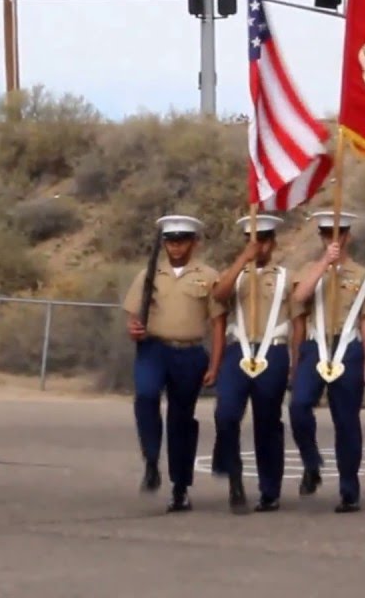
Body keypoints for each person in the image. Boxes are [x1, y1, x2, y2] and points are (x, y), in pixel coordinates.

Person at [123, 214, 226, 512]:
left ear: (194, 242)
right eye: (170, 241)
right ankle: (152, 460)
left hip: (190, 353)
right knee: (145, 395)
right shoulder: (149, 275)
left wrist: (215, 364)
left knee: (181, 422)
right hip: (154, 349)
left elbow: (218, 323)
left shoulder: (208, 276)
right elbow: (134, 316)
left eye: (181, 241)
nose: (175, 247)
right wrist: (134, 329)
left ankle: (180, 487)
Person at [287, 210, 365, 513]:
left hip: (348, 346)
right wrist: (325, 262)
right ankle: (312, 462)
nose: (333, 240)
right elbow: (299, 298)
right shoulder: (310, 269)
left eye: (338, 234)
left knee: (347, 421)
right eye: (327, 234)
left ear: (348, 237)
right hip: (316, 345)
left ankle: (349, 490)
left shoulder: (363, 276)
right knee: (298, 406)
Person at [209, 214, 293, 513]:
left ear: (273, 243)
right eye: (253, 241)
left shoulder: (284, 277)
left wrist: (296, 361)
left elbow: (298, 317)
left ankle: (269, 491)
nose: (259, 247)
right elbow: (219, 295)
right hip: (239, 351)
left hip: (274, 350)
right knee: (226, 414)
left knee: (267, 422)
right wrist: (243, 260)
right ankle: (234, 477)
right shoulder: (236, 275)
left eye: (264, 241)